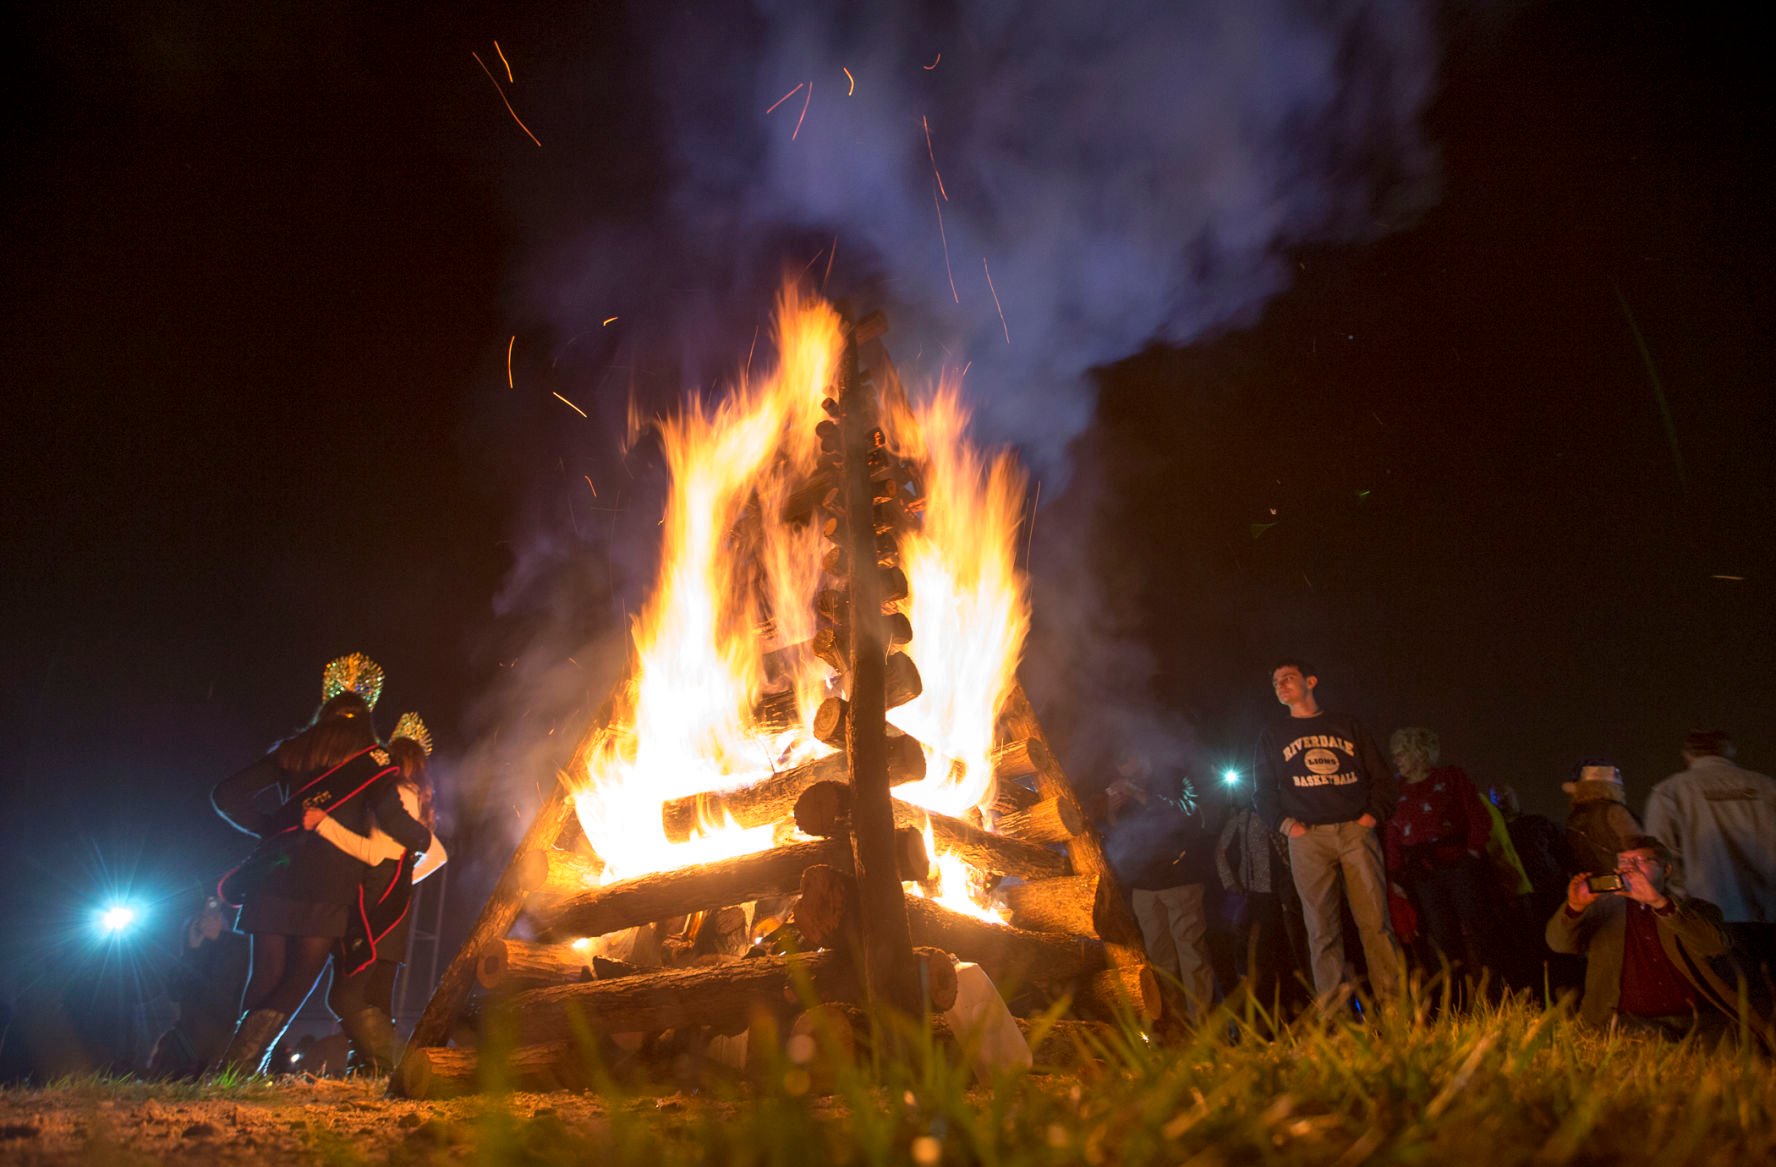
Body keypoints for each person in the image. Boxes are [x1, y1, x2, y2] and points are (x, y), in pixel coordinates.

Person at [209, 654, 435, 1075]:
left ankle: (236, 1071)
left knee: (266, 974)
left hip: (274, 874)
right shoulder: (372, 762)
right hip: (329, 887)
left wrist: (272, 828)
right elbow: (393, 822)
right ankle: (236, 1069)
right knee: (298, 980)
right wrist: (423, 839)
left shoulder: (292, 752)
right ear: (365, 718)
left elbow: (226, 794)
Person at [1253, 660, 1403, 1005]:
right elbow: (1262, 791)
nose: (1281, 685)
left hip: (1354, 831)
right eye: (1275, 682)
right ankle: (1334, 1019)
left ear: (1311, 681)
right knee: (1321, 930)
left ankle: (1396, 1011)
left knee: (1376, 924)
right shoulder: (1273, 735)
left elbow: (1381, 778)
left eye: (1288, 678)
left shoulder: (1346, 725)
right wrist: (1287, 825)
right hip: (1308, 838)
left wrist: (1370, 817)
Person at [305, 711, 448, 1074]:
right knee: (377, 995)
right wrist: (405, 879)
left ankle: (398, 1063)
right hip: (391, 905)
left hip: (377, 905)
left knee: (345, 994)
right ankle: (375, 1069)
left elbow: (377, 853)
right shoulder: (415, 796)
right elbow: (434, 855)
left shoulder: (397, 794)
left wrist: (324, 825)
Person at [1546, 835, 1744, 1040]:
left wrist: (1660, 904)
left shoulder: (1696, 909)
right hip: (1628, 1023)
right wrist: (1575, 908)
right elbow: (1559, 944)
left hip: (1700, 1023)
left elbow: (1716, 946)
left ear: (1666, 870)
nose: (1630, 868)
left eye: (1640, 861)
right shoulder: (1601, 910)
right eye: (1624, 862)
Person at [1643, 730, 1776, 991]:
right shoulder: (1767, 787)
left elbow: (1660, 856)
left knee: (1735, 1001)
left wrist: (1678, 907)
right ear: (1729, 751)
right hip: (1770, 908)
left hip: (1712, 914)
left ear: (1688, 754)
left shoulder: (1671, 791)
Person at [1108, 760, 1220, 1031]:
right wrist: (1113, 813)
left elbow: (1185, 815)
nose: (1125, 764)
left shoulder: (1174, 777)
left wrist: (1136, 793)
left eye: (1129, 755)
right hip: (1145, 886)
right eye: (1120, 760)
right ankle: (1174, 1024)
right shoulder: (1123, 793)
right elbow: (1122, 838)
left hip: (1181, 881)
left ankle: (1201, 1025)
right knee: (1160, 960)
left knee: (1191, 954)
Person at [1383, 727, 1495, 987]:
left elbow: (1477, 814)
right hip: (1424, 874)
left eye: (1401, 754)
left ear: (1418, 753)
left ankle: (1498, 989)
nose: (1396, 760)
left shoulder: (1450, 777)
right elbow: (1392, 835)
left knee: (1480, 927)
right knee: (1443, 935)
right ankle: (1457, 996)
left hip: (1459, 864)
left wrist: (1473, 851)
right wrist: (1396, 874)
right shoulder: (1397, 792)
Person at [1215, 800, 1309, 1016]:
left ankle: (1297, 1009)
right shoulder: (1243, 814)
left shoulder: (1277, 811)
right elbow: (1221, 851)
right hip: (1262, 897)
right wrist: (1232, 884)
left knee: (1293, 953)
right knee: (1268, 959)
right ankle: (1276, 1015)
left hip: (1287, 894)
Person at [147, 895, 250, 1078]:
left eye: (214, 919)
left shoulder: (239, 950)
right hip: (186, 1045)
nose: (207, 924)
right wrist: (193, 950)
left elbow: (224, 995)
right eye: (199, 922)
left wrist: (223, 939)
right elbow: (175, 991)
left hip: (221, 1043)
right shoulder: (190, 958)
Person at [1562, 760, 1642, 879]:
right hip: (1620, 880)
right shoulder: (1614, 810)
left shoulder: (1574, 816)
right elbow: (1637, 846)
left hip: (1589, 882)